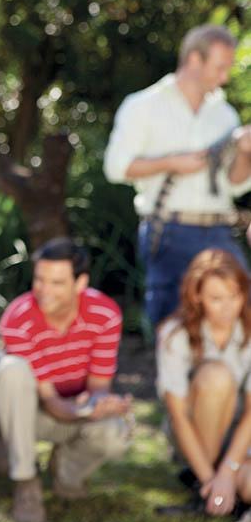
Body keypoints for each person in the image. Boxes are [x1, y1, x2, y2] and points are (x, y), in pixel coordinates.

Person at [104, 24, 251, 329]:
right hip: (169, 229)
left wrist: (245, 153)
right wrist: (171, 162)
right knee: (173, 323)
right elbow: (116, 168)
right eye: (220, 67)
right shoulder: (143, 106)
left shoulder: (224, 114)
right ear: (195, 60)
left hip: (220, 231)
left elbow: (235, 185)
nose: (225, 77)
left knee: (243, 313)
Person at [0, 237, 133, 522]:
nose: (44, 290)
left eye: (57, 283)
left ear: (80, 283)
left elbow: (98, 388)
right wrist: (80, 410)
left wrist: (102, 405)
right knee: (12, 370)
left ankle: (66, 473)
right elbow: (50, 401)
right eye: (39, 280)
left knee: (116, 432)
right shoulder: (18, 318)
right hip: (24, 413)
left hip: (70, 408)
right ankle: (26, 481)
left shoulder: (105, 314)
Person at [157, 249, 251, 517]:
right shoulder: (174, 335)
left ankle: (229, 492)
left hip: (241, 438)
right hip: (195, 436)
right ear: (196, 296)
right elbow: (178, 416)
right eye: (216, 299)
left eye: (234, 296)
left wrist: (228, 472)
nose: (228, 308)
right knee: (216, 376)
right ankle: (204, 485)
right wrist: (213, 480)